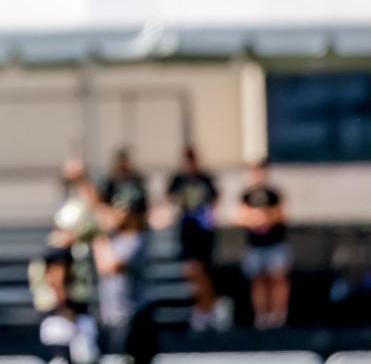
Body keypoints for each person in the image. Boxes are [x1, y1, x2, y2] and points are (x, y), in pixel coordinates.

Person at [31, 158, 101, 363]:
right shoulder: (60, 249)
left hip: (71, 313)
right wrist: (66, 310)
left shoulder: (68, 245)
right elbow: (56, 280)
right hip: (62, 316)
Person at [166, 146, 226, 332]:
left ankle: (207, 308)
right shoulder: (178, 179)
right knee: (191, 272)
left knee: (203, 272)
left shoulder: (205, 178)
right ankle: (205, 307)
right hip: (186, 231)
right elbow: (170, 198)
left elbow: (215, 199)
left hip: (203, 233)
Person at [93, 196, 155, 363]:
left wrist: (100, 239)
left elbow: (109, 267)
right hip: (112, 313)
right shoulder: (118, 238)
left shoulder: (137, 239)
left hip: (130, 314)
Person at [237, 159, 290, 329]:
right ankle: (261, 315)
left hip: (275, 243)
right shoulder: (246, 194)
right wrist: (256, 218)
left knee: (277, 277)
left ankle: (278, 314)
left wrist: (265, 217)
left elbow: (282, 213)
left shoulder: (273, 193)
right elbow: (240, 216)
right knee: (257, 280)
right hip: (255, 245)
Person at [100, 148, 148, 230]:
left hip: (135, 221)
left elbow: (143, 203)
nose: (123, 165)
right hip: (116, 222)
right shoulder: (111, 182)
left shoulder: (136, 180)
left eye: (125, 162)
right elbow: (104, 202)